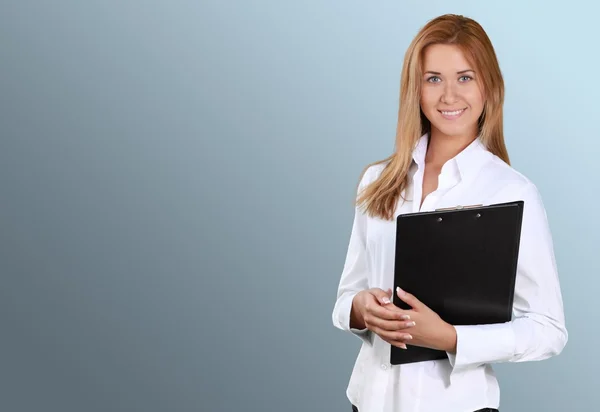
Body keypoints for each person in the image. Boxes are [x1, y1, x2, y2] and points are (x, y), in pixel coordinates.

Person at [331, 13, 567, 412]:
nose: (449, 96)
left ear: (489, 86)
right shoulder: (378, 180)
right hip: (367, 401)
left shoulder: (512, 192)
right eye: (433, 78)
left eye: (465, 77)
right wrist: (360, 310)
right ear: (416, 89)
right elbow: (345, 296)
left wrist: (452, 339)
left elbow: (548, 330)